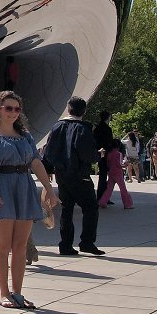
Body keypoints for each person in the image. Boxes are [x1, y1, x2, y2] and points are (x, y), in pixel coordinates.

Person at [0, 91, 58, 309]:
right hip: (2, 185)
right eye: (8, 108)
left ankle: (18, 293)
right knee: (3, 244)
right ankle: (4, 293)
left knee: (21, 245)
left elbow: (36, 162)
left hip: (24, 186)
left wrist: (49, 189)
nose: (13, 113)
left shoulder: (25, 136)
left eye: (17, 109)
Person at [43, 96, 103, 257]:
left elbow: (48, 152)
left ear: (68, 109)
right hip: (79, 174)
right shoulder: (82, 129)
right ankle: (87, 242)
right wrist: (98, 155)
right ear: (84, 111)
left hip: (62, 175)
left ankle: (65, 245)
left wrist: (53, 167)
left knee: (66, 209)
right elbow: (87, 155)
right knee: (90, 208)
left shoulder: (57, 127)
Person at [98, 141, 133, 209]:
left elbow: (108, 163)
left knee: (109, 189)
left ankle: (102, 201)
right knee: (123, 189)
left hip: (111, 172)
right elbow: (119, 164)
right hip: (118, 173)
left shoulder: (109, 154)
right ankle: (127, 204)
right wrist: (125, 165)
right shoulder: (119, 154)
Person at [93, 110, 113, 198]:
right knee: (104, 175)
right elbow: (109, 142)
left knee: (102, 174)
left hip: (98, 152)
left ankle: (102, 196)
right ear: (108, 117)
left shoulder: (97, 128)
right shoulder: (107, 129)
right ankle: (103, 196)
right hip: (106, 153)